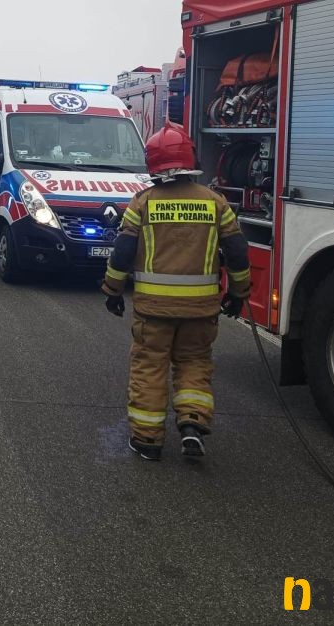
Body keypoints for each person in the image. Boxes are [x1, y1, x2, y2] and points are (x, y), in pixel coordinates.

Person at [101, 123, 250, 462]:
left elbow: (123, 252)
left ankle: (147, 441)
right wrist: (239, 293)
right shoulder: (215, 202)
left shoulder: (143, 202)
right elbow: (238, 252)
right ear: (190, 159)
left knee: (149, 368)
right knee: (194, 363)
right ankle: (193, 424)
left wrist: (112, 290)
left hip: (153, 311)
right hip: (201, 310)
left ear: (152, 163)